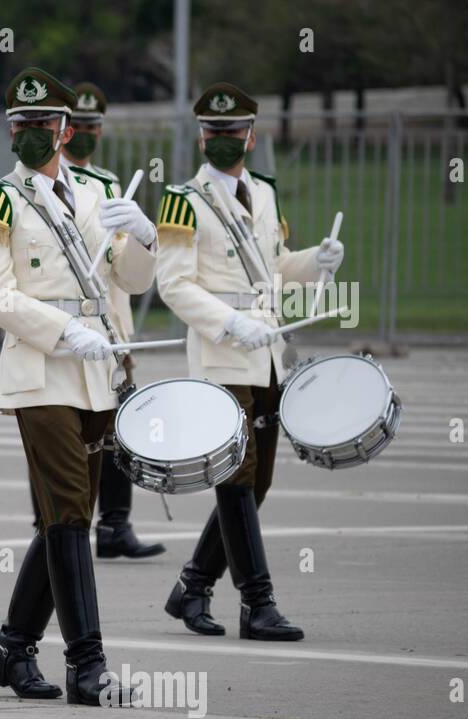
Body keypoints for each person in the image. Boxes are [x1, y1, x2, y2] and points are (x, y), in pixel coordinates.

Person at [0, 68, 155, 704]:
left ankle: (14, 652)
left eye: (43, 125)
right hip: (41, 371)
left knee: (61, 518)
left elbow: (131, 280)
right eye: (20, 124)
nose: (32, 134)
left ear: (66, 130)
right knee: (70, 510)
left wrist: (145, 235)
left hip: (96, 375)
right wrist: (68, 330)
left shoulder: (98, 193)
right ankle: (86, 663)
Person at [156, 82, 344, 641]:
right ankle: (257, 603)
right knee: (235, 478)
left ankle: (192, 586)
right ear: (200, 136)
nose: (222, 141)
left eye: (232, 133)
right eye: (213, 133)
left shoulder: (263, 192)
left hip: (267, 356)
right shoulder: (181, 201)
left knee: (255, 483)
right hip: (220, 356)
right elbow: (174, 284)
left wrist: (317, 260)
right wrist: (227, 320)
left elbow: (276, 266)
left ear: (251, 137)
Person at [61, 81, 165, 560]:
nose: (84, 133)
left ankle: (115, 525)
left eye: (91, 126)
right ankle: (57, 523)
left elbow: (124, 270)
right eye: (76, 124)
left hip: (111, 327)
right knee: (62, 433)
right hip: (65, 331)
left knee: (116, 431)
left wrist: (144, 234)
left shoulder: (107, 186)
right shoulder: (43, 186)